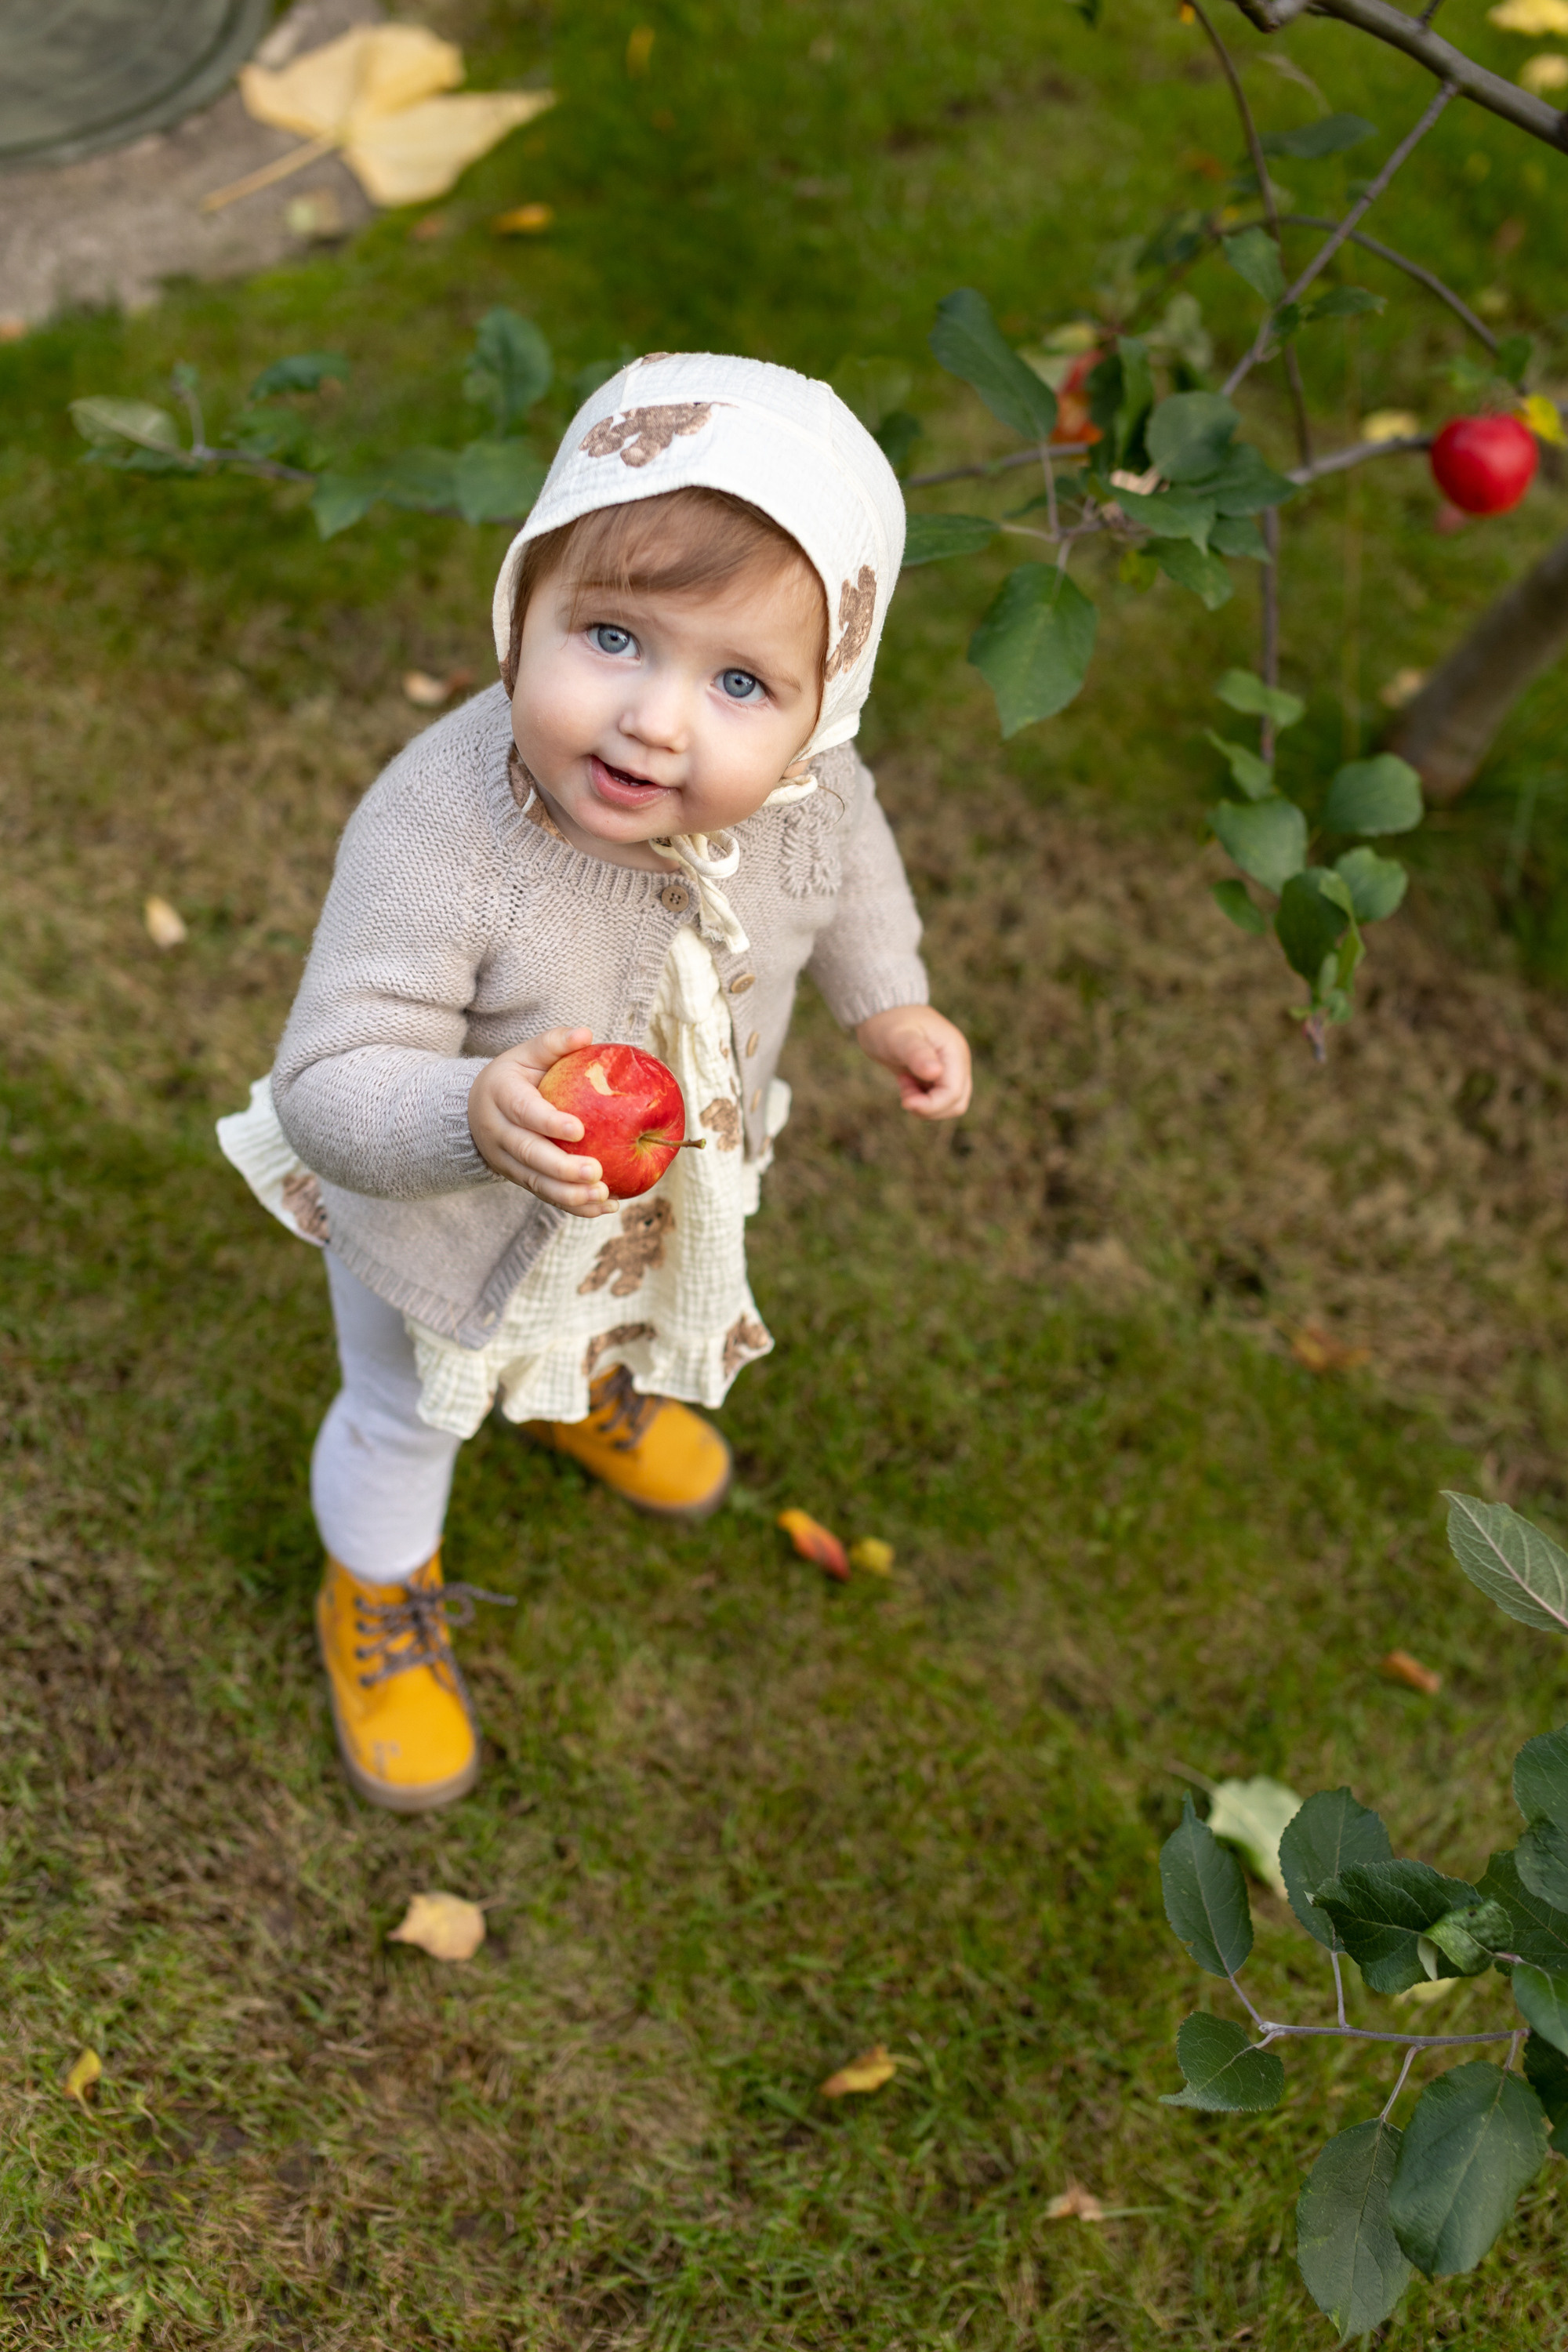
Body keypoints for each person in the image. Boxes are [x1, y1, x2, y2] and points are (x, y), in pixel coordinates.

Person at [218, 352, 971, 1813]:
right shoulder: (448, 827)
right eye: (615, 636)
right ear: (523, 609)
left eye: (741, 681)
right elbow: (329, 1080)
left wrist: (890, 1001)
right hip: (434, 1219)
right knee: (404, 1413)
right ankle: (376, 1595)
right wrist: (469, 1115)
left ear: (826, 707)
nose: (657, 722)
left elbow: (852, 864)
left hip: (645, 1195)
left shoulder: (811, 793)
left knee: (615, 1303)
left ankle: (581, 1388)